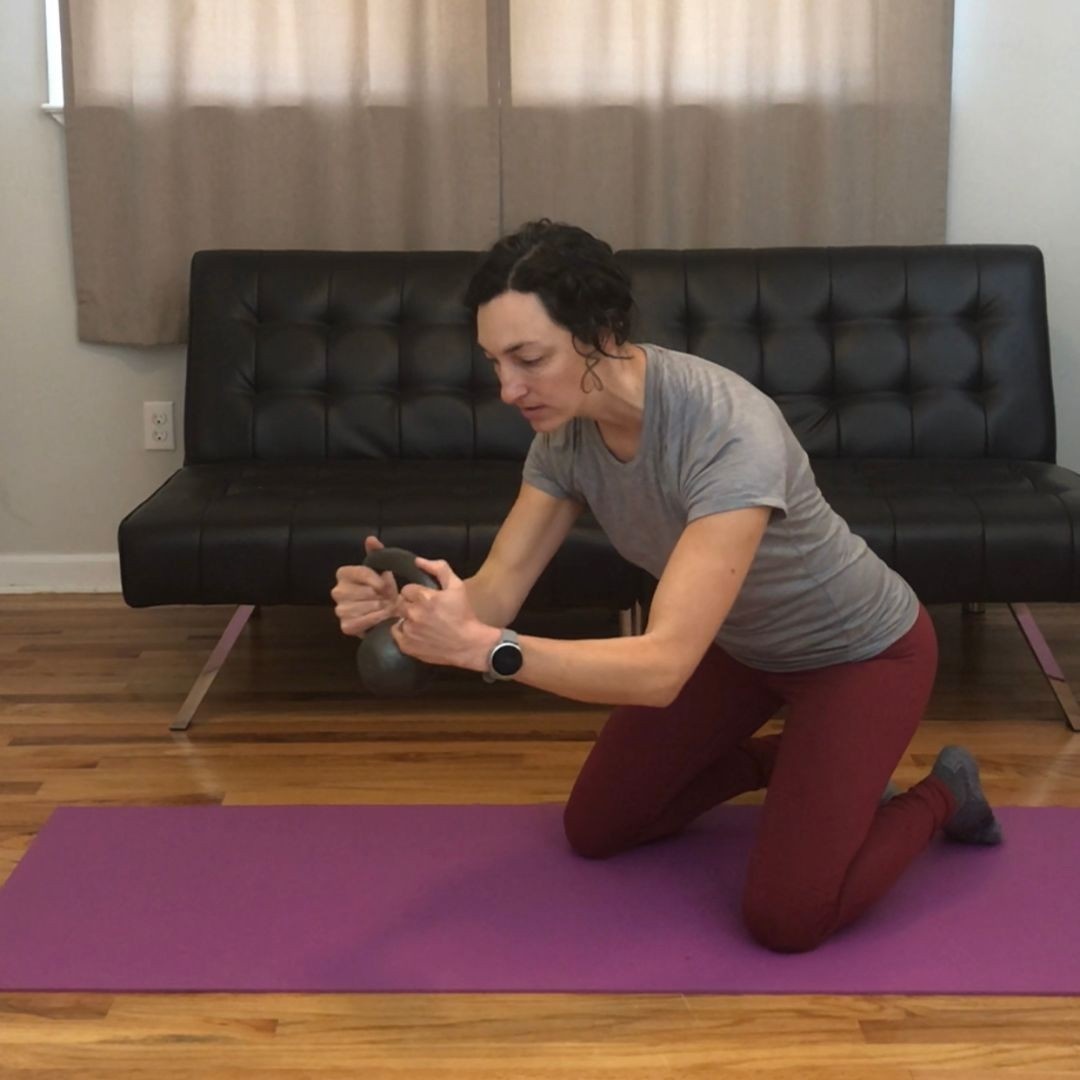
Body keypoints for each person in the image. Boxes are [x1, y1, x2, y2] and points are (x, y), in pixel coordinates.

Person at [332, 219, 1002, 953]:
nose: (507, 389)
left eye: (529, 358)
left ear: (602, 332)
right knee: (599, 827)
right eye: (495, 362)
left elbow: (660, 669)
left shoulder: (727, 430)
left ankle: (945, 792)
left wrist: (490, 651)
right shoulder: (564, 434)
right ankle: (808, 764)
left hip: (859, 656)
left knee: (788, 919)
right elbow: (494, 593)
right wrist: (413, 609)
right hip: (739, 648)